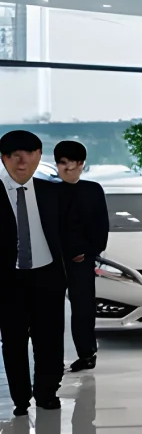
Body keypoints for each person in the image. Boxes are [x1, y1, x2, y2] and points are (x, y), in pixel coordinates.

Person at [0, 130, 67, 415]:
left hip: (47, 275)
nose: (21, 161)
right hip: (8, 279)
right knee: (13, 340)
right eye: (14, 155)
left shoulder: (54, 193)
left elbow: (69, 234)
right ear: (4, 159)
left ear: (39, 156)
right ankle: (20, 399)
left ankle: (46, 392)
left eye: (28, 154)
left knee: (49, 338)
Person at [52, 141, 108, 371]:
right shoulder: (49, 190)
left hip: (82, 259)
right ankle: (52, 358)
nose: (66, 168)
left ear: (81, 164)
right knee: (51, 311)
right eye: (62, 163)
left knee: (83, 309)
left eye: (72, 164)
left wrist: (89, 253)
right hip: (53, 261)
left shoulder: (92, 190)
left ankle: (87, 354)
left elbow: (101, 226)